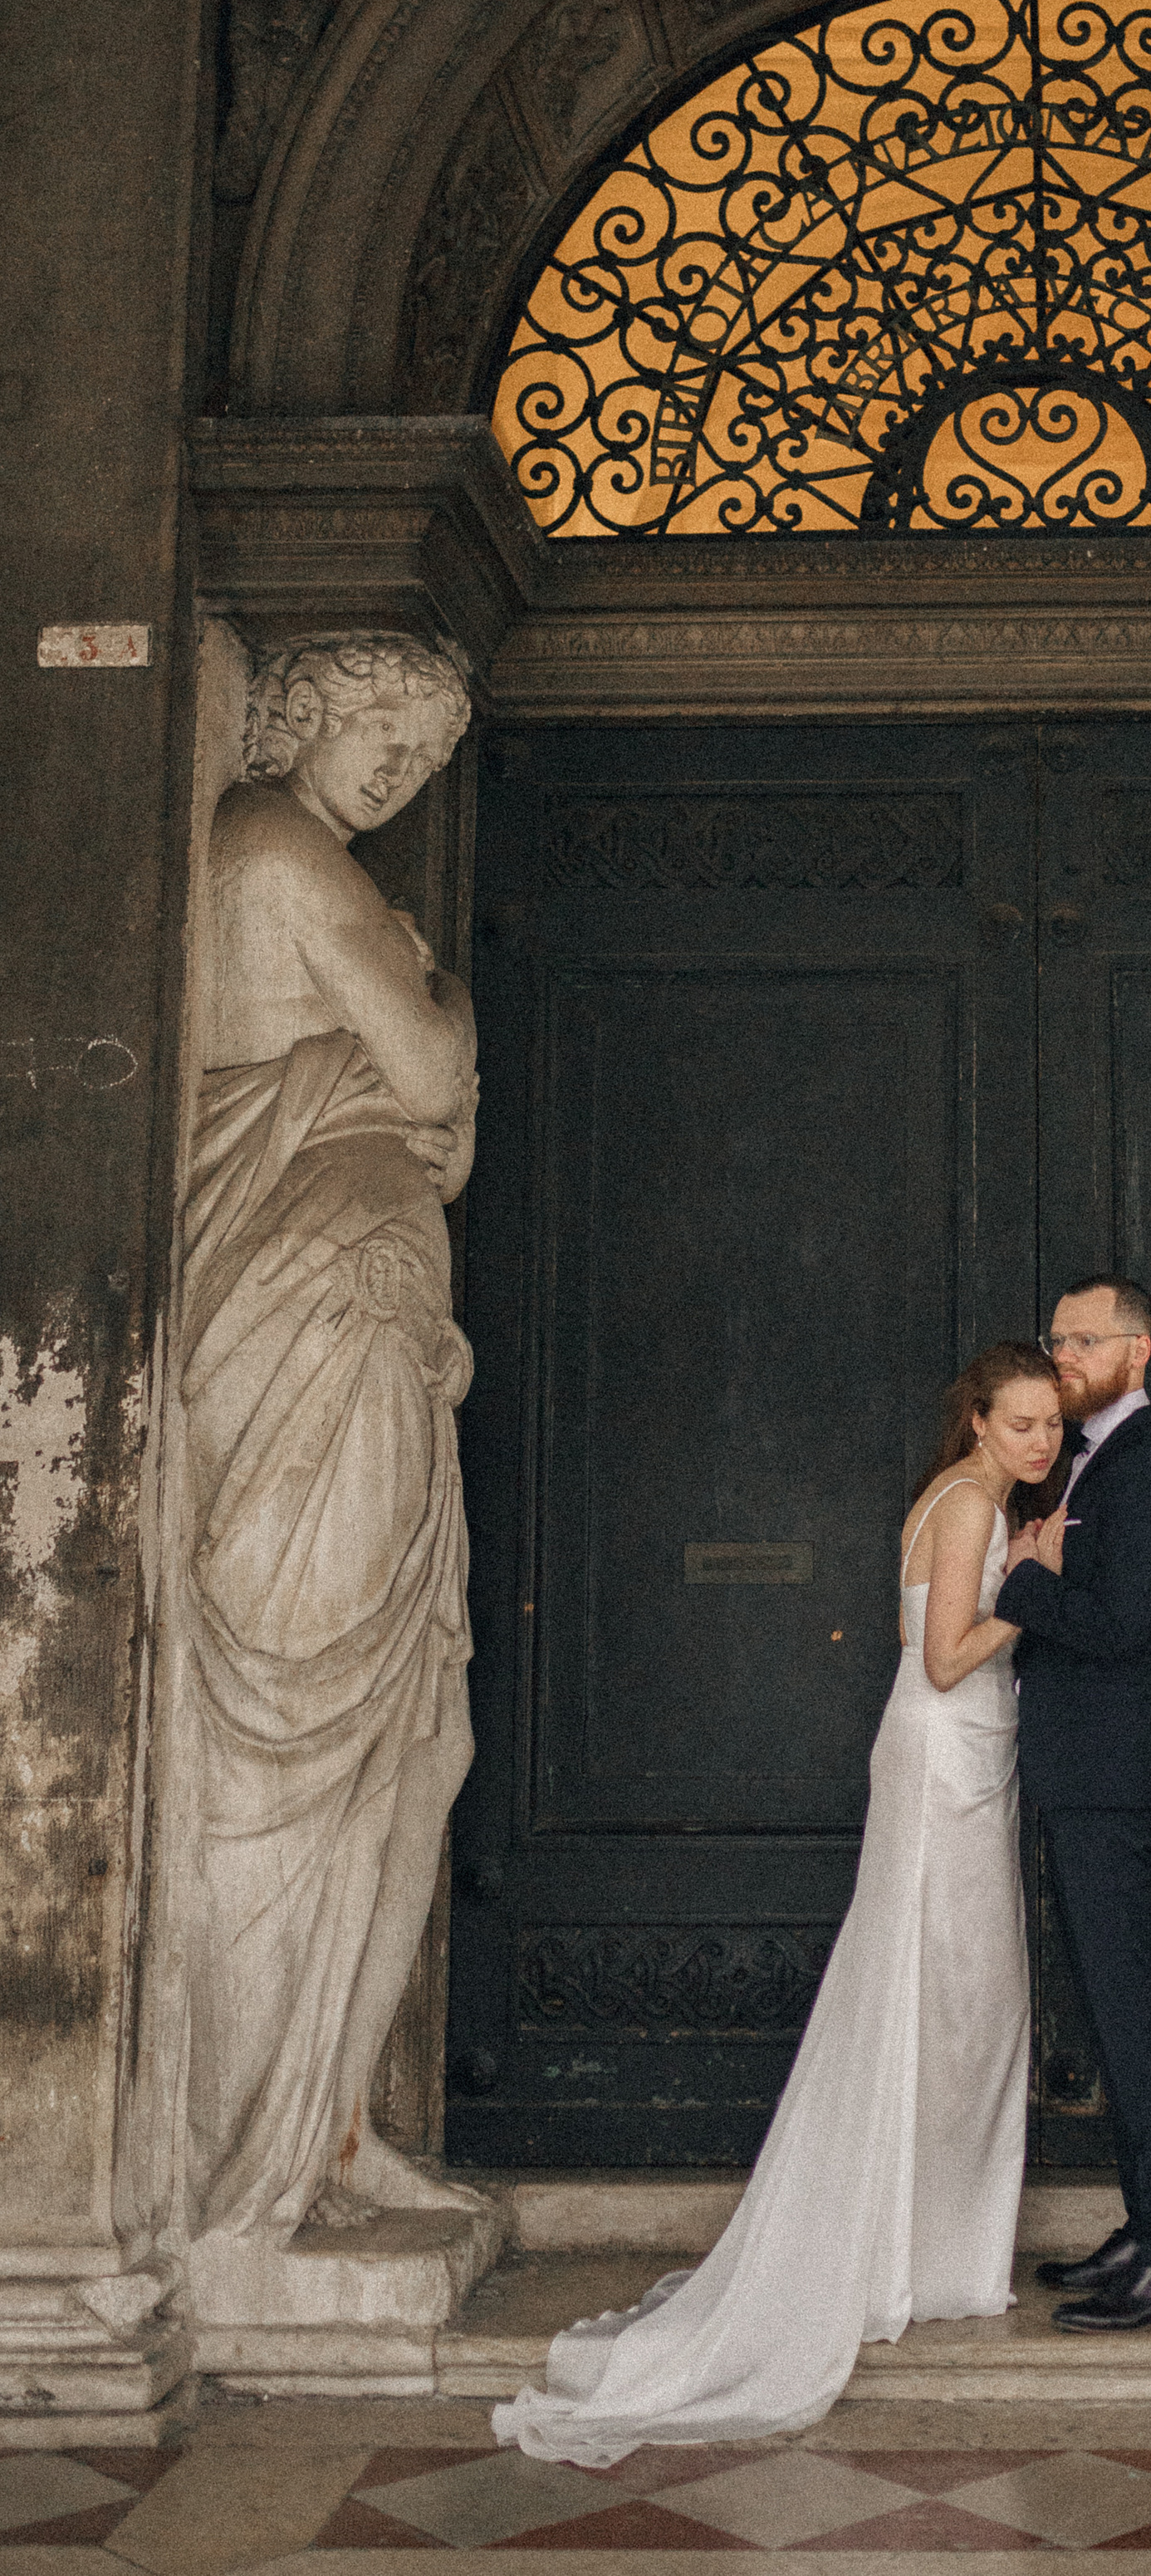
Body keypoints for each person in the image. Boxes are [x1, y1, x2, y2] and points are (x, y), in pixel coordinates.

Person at [493, 1344, 1065, 2461]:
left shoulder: (970, 1500)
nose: (1042, 1442)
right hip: (946, 1758)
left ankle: (929, 2249)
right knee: (940, 1995)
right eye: (1023, 1423)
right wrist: (1033, 1592)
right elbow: (944, 1656)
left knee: (960, 2003)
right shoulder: (965, 1508)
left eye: (1051, 1424)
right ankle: (908, 2254)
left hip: (956, 1760)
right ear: (980, 1422)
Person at [184, 635, 480, 2236]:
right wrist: (446, 994)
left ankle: (334, 2131)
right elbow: (430, 1066)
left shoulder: (296, 855)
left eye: (426, 755)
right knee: (305, 1737)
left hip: (356, 1320)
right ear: (302, 711)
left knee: (419, 1743)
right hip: (304, 1321)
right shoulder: (281, 846)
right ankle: (255, 2157)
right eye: (381, 728)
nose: (398, 768)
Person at [993, 1278, 1151, 2329]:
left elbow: (1120, 1624)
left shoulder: (1147, 1471)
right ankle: (1147, 2228)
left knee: (1133, 2017)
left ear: (1138, 1350)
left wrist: (1016, 1587)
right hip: (1084, 1776)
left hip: (1112, 1781)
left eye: (1083, 1341)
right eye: (1057, 1339)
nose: (1064, 1355)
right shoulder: (1095, 1462)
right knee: (1114, 2010)